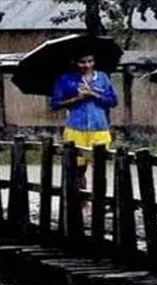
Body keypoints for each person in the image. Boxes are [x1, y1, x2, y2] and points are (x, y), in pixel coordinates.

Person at [49, 52, 118, 190]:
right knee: (77, 169)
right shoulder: (66, 79)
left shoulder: (102, 78)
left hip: (99, 128)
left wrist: (93, 94)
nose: (87, 65)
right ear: (75, 63)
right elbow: (55, 104)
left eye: (90, 61)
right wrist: (77, 98)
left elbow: (113, 101)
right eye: (82, 62)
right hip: (76, 128)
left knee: (100, 168)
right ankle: (80, 198)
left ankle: (99, 198)